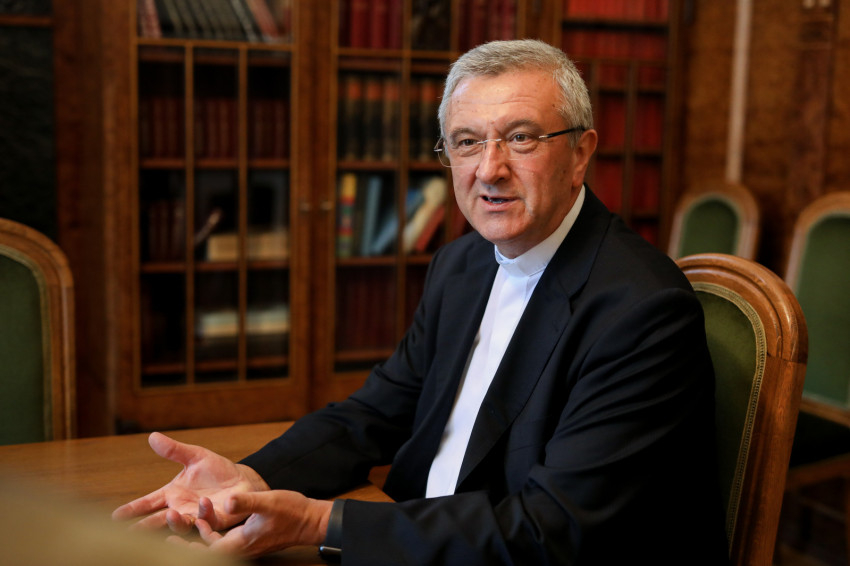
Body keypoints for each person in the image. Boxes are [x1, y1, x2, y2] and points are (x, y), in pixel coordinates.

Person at [113, 39, 730, 565]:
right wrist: (251, 479)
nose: (489, 169)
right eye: (466, 142)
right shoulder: (460, 265)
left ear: (581, 153)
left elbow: (554, 530)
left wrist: (320, 523)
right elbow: (375, 412)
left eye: (520, 138)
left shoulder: (641, 312)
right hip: (423, 540)